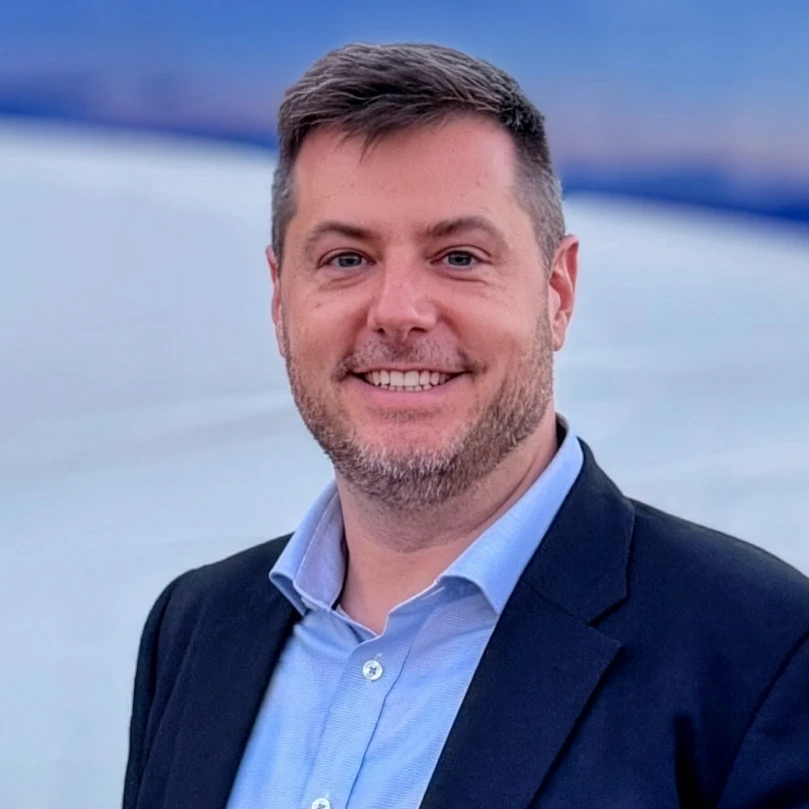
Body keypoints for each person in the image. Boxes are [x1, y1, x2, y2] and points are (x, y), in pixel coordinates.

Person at [122, 43, 809, 809]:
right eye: (347, 259)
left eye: (457, 255)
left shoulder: (763, 652)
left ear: (556, 291)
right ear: (281, 300)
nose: (399, 313)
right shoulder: (193, 629)